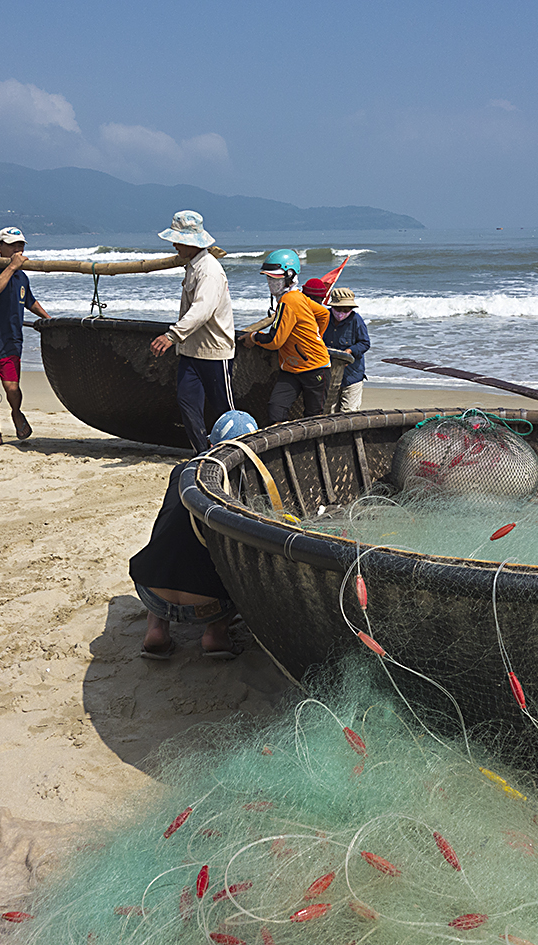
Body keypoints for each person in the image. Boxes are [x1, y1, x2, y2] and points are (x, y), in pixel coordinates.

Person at [131, 410, 260, 661]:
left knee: (167, 543)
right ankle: (216, 634)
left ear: (211, 444)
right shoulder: (243, 484)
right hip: (209, 605)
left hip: (151, 590)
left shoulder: (182, 471)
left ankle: (157, 629)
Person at [149, 210, 235, 454]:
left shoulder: (209, 270)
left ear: (190, 243)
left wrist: (170, 335)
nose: (174, 244)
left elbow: (202, 310)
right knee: (188, 404)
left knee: (224, 411)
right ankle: (202, 452)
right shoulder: (192, 266)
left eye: (177, 240)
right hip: (191, 351)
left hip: (215, 353)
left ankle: (232, 453)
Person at [0, 226, 49, 449]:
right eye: (13, 245)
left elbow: (30, 301)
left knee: (12, 388)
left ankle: (16, 412)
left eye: (21, 245)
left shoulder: (22, 276)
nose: (18, 249)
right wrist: (11, 267)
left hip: (10, 340)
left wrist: (48, 319)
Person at [243, 250, 332, 423]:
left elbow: (274, 341)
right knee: (277, 408)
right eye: (269, 278)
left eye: (275, 279)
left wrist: (253, 337)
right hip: (291, 369)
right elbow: (323, 314)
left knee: (312, 417)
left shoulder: (289, 301)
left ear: (290, 277)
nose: (271, 283)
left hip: (315, 368)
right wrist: (316, 336)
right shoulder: (298, 297)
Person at [321, 287, 370, 411]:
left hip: (352, 375)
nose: (341, 313)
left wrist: (350, 351)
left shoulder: (356, 320)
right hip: (329, 375)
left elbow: (365, 343)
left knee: (348, 412)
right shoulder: (324, 317)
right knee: (329, 412)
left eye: (346, 310)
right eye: (338, 309)